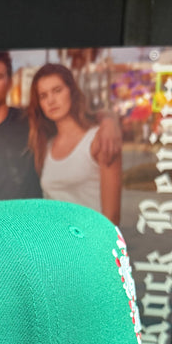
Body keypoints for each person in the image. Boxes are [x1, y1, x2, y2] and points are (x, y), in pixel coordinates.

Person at [0, 51, 121, 203]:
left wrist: (109, 122)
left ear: (10, 82)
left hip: (33, 223)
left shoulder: (31, 120)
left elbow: (74, 117)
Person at [28, 63, 122, 225]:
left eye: (57, 90)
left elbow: (112, 218)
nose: (51, 100)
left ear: (71, 91)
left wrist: (110, 120)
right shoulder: (46, 146)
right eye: (43, 96)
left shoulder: (99, 139)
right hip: (55, 239)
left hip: (90, 238)